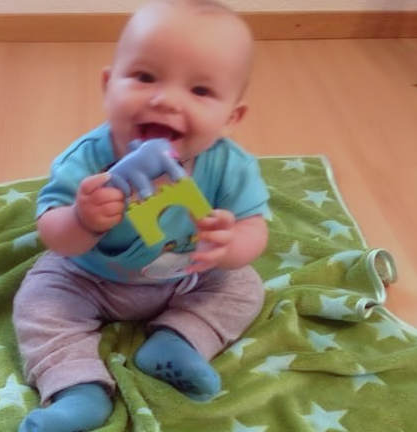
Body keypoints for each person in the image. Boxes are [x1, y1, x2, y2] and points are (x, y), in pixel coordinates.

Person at [13, 0, 269, 431]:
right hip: (89, 276)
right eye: (145, 77)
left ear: (231, 117)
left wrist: (229, 246)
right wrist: (81, 220)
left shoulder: (229, 165)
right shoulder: (87, 159)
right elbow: (53, 234)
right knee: (39, 299)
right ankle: (78, 389)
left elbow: (254, 228)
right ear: (108, 85)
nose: (165, 99)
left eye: (200, 90)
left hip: (188, 276)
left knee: (244, 285)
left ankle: (178, 339)